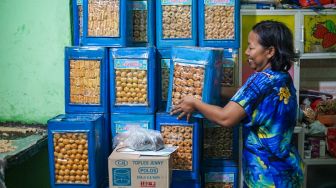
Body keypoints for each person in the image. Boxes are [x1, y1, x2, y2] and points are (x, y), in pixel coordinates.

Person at [171, 20, 303, 187]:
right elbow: (247, 95)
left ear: (269, 51)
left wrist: (195, 103)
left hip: (267, 177)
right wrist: (211, 90)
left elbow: (226, 118)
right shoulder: (282, 77)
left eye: (251, 47)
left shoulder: (259, 80)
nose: (247, 52)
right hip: (289, 171)